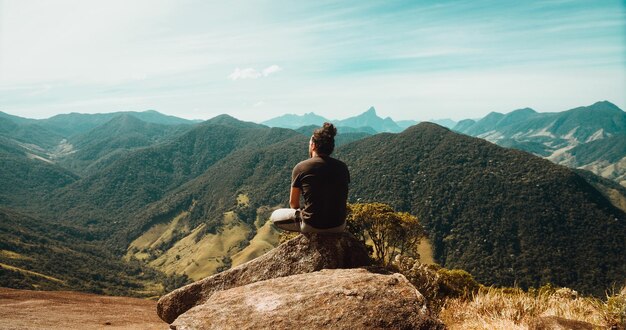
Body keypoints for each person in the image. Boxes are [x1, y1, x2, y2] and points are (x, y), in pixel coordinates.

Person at [270, 122, 350, 233]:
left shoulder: (301, 167)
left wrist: (305, 212)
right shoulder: (342, 167)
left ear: (313, 145)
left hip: (311, 226)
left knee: (275, 216)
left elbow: (293, 203)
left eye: (309, 144)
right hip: (339, 226)